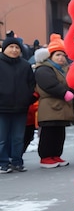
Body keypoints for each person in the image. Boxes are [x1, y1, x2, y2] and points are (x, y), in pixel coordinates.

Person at [35, 34, 74, 169]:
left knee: (59, 132)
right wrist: (64, 93)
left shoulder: (63, 70)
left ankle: (56, 155)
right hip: (49, 106)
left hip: (61, 107)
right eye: (58, 55)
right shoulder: (44, 68)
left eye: (63, 55)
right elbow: (49, 84)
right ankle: (46, 157)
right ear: (50, 56)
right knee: (49, 133)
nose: (61, 58)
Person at [0, 36, 37, 173]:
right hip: (2, 108)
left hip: (21, 108)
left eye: (17, 48)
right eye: (11, 47)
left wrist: (28, 99)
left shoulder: (25, 65)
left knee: (18, 138)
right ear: (5, 49)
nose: (14, 50)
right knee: (2, 138)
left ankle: (17, 161)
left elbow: (32, 84)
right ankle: (3, 162)